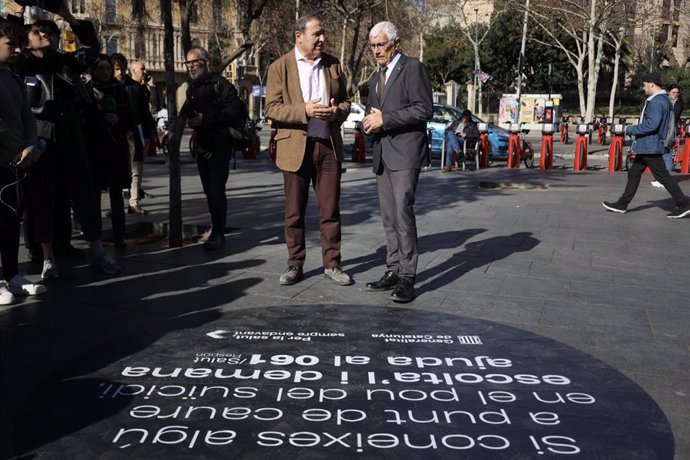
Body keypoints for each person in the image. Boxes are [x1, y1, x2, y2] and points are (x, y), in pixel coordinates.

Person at [14, 5, 121, 277]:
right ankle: (47, 256)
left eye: (50, 31)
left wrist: (70, 18)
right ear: (26, 39)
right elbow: (8, 40)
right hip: (39, 137)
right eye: (38, 31)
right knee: (42, 196)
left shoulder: (64, 62)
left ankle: (97, 249)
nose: (45, 34)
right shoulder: (21, 63)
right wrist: (19, 12)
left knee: (85, 193)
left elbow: (90, 49)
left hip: (71, 136)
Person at [264, 15, 353, 286]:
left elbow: (347, 102)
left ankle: (332, 264)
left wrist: (336, 112)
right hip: (295, 147)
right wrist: (305, 110)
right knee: (294, 212)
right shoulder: (280, 66)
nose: (322, 39)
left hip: (327, 146)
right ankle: (294, 264)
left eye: (323, 33)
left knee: (330, 210)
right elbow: (271, 108)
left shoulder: (333, 64)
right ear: (298, 36)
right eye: (317, 34)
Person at [362, 21, 433, 302]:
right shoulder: (375, 76)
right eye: (373, 46)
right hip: (383, 153)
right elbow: (372, 110)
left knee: (403, 214)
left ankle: (407, 277)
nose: (376, 51)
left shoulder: (412, 67)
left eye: (381, 45)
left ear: (396, 43)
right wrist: (368, 122)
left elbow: (424, 109)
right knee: (389, 217)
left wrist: (385, 120)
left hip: (405, 153)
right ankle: (392, 269)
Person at [0, 18, 47, 305]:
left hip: (16, 164)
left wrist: (31, 145)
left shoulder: (14, 77)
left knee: (10, 220)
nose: (18, 49)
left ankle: (12, 274)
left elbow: (28, 116)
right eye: (10, 44)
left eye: (19, 44)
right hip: (6, 158)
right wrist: (21, 147)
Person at [179, 46, 244, 250]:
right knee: (209, 191)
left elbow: (233, 112)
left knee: (216, 190)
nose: (191, 67)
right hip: (202, 146)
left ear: (206, 62)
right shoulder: (192, 89)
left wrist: (205, 119)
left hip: (220, 146)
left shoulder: (221, 85)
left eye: (194, 62)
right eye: (188, 63)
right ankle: (216, 227)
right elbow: (184, 113)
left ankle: (218, 233)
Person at [603, 73, 690, 219]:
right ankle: (622, 204)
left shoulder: (656, 102)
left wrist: (629, 129)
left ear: (651, 84)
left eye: (644, 85)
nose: (643, 88)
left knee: (662, 176)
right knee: (634, 173)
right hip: (648, 144)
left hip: (650, 144)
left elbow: (652, 124)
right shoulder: (664, 100)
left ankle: (683, 204)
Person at [84, 54, 133, 249]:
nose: (104, 73)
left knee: (116, 195)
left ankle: (119, 235)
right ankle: (94, 237)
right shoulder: (88, 91)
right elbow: (84, 119)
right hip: (95, 149)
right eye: (101, 69)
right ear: (94, 71)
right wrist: (101, 120)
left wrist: (119, 120)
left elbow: (130, 117)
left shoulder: (120, 90)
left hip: (116, 148)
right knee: (94, 196)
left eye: (107, 69)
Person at [112, 54, 155, 214]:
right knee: (116, 171)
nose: (120, 72)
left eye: (122, 69)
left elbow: (144, 112)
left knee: (136, 170)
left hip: (133, 134)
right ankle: (117, 204)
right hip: (114, 135)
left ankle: (133, 202)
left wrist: (148, 134)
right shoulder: (107, 86)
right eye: (117, 69)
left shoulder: (135, 87)